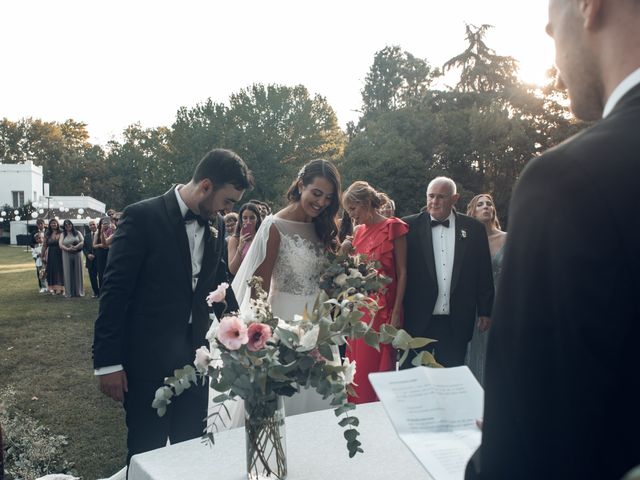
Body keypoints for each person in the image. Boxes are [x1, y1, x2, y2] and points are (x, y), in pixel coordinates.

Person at [467, 1, 640, 479]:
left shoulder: (570, 180)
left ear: (588, 6)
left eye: (551, 17)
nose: (547, 29)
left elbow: (527, 458)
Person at [93, 148, 253, 465]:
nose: (227, 210)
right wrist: (107, 362)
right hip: (146, 362)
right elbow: (115, 291)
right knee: (146, 452)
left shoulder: (217, 225)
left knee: (191, 452)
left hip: (196, 360)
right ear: (206, 185)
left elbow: (218, 283)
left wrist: (242, 334)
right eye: (228, 201)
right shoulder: (141, 216)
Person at [232, 158, 341, 417]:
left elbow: (326, 279)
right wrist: (261, 336)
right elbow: (258, 287)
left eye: (328, 197)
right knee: (286, 398)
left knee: (322, 400)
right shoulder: (274, 226)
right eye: (317, 193)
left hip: (319, 324)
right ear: (301, 184)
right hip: (284, 323)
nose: (322, 202)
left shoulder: (322, 226)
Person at [402, 176, 494, 367]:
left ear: (455, 199)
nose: (434, 202)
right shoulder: (408, 227)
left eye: (441, 197)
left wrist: (485, 310)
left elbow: (483, 271)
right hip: (417, 319)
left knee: (452, 377)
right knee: (414, 377)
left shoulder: (474, 229)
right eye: (431, 196)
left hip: (457, 319)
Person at [342, 181, 408, 404]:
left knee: (378, 371)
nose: (351, 215)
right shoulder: (357, 232)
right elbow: (351, 272)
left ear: (367, 203)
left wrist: (397, 310)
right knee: (357, 369)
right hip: (358, 311)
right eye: (348, 210)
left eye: (353, 209)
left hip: (382, 311)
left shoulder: (393, 227)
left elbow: (402, 271)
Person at [464, 194, 507, 386]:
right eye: (480, 204)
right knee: (473, 351)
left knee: (497, 352)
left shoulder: (508, 239)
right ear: (472, 212)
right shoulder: (466, 240)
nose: (486, 207)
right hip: (474, 306)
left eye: (489, 204)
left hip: (502, 304)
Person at [227, 203, 262, 275]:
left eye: (252, 218)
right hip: (242, 280)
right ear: (241, 219)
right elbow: (233, 270)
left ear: (257, 219)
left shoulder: (262, 237)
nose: (248, 221)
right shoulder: (234, 240)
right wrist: (240, 247)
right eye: (245, 218)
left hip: (261, 279)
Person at [59, 219, 85, 298]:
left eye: (69, 224)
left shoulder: (77, 233)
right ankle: (69, 292)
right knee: (68, 272)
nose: (68, 226)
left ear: (72, 225)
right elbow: (60, 244)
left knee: (78, 271)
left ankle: (78, 292)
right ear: (64, 226)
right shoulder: (63, 234)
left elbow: (83, 241)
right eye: (66, 225)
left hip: (77, 253)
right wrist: (68, 249)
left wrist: (76, 247)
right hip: (66, 254)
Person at [42, 218, 64, 295]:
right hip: (51, 253)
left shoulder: (62, 232)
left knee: (60, 270)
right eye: (52, 223)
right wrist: (42, 256)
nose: (53, 224)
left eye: (55, 223)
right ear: (49, 225)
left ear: (57, 224)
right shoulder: (47, 233)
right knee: (51, 270)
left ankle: (61, 288)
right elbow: (44, 245)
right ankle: (53, 288)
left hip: (61, 253)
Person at [93, 217, 114, 291]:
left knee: (110, 271)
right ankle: (102, 290)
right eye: (103, 223)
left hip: (110, 253)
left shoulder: (112, 231)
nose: (105, 225)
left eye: (106, 223)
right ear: (100, 224)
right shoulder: (97, 233)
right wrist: (100, 245)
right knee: (101, 272)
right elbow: (94, 245)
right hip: (101, 254)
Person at [83, 220, 100, 297]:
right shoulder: (86, 236)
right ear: (89, 227)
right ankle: (96, 292)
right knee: (92, 278)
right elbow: (84, 248)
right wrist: (88, 255)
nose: (92, 226)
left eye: (93, 224)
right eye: (90, 225)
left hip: (99, 259)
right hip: (90, 260)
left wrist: (95, 255)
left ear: (97, 225)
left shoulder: (101, 234)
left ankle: (101, 293)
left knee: (101, 277)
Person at [32, 219, 47, 292]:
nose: (40, 225)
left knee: (47, 272)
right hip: (38, 258)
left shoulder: (48, 231)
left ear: (44, 224)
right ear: (37, 225)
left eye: (41, 224)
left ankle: (49, 286)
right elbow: (31, 242)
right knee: (40, 272)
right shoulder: (34, 233)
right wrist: (37, 254)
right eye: (38, 224)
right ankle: (42, 287)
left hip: (47, 257)